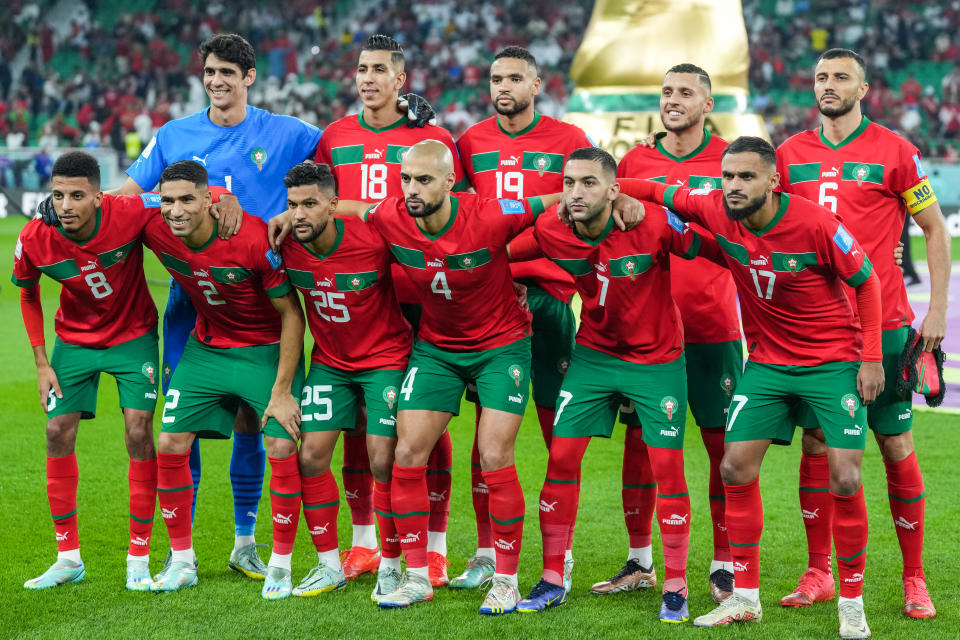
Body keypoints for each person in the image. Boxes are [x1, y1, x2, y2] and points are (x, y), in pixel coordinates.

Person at [621, 136, 883, 639]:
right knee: (734, 466)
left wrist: (870, 358)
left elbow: (867, 283)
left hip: (832, 363)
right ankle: (745, 597)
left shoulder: (816, 224)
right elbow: (656, 190)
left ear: (772, 180)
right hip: (768, 362)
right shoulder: (716, 208)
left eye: (746, 177)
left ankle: (851, 603)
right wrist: (610, 191)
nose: (734, 186)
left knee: (846, 478)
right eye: (728, 177)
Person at [115, 33, 322, 579]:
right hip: (193, 303)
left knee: (253, 421)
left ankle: (244, 540)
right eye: (209, 71)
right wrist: (79, 202)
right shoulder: (174, 134)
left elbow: (343, 155)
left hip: (262, 298)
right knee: (178, 426)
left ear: (249, 77)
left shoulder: (286, 132)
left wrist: (410, 125)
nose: (217, 81)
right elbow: (130, 197)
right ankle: (180, 550)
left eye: (228, 72)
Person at [335, 139, 562, 614]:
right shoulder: (391, 214)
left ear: (449, 182)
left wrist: (620, 193)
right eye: (406, 180)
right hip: (437, 349)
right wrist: (289, 215)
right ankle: (417, 575)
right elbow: (351, 208)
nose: (412, 190)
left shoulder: (489, 214)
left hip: (502, 347)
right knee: (407, 452)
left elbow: (555, 199)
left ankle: (505, 579)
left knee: (493, 453)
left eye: (423, 180)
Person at [776, 48, 950, 619]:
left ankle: (913, 577)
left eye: (841, 77)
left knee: (895, 445)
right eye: (822, 77)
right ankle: (819, 571)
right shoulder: (788, 154)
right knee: (818, 447)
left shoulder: (896, 151)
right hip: (817, 332)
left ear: (864, 87)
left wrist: (935, 313)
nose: (828, 85)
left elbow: (934, 231)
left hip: (889, 326)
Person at [514, 147, 706, 623]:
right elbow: (494, 254)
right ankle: (554, 578)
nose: (576, 192)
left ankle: (676, 584)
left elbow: (714, 248)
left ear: (614, 191)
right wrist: (510, 287)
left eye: (590, 183)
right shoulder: (550, 228)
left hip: (657, 359)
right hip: (595, 357)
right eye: (570, 182)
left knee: (668, 468)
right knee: (560, 457)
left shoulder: (653, 223)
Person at [312, 34, 462, 584]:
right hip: (356, 297)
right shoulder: (334, 136)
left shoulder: (433, 137)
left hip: (419, 293)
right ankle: (365, 542)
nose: (368, 78)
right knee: (358, 424)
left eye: (379, 69)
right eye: (361, 68)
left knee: (426, 421)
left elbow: (458, 212)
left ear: (402, 80)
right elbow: (316, 199)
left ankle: (437, 545)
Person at [454, 45, 593, 591]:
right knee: (486, 437)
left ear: (536, 84)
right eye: (495, 78)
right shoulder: (472, 143)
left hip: (549, 299)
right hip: (488, 302)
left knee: (558, 434)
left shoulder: (569, 142)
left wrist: (510, 258)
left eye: (515, 78)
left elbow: (585, 214)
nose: (503, 86)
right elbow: (458, 212)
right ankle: (487, 552)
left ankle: (560, 555)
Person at [142, 161, 306, 596]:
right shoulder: (155, 224)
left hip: (264, 351)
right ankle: (181, 560)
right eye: (167, 200)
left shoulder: (251, 238)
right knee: (170, 443)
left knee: (280, 444)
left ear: (209, 200)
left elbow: (292, 313)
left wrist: (283, 390)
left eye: (186, 200)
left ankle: (279, 564)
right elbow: (110, 206)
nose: (175, 211)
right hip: (208, 348)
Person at [611, 63, 741, 603]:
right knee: (641, 444)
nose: (674, 100)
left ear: (708, 103)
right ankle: (640, 559)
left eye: (686, 92)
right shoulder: (635, 159)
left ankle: (724, 561)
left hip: (713, 326)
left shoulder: (734, 160)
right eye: (667, 92)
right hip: (647, 331)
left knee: (722, 448)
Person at [14, 151, 160, 591]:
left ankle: (138, 557)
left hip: (133, 336)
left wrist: (222, 198)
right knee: (57, 430)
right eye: (58, 195)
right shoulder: (35, 236)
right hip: (75, 342)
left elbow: (185, 197)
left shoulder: (129, 211)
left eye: (78, 195)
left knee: (138, 432)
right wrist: (41, 362)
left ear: (100, 196)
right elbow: (27, 294)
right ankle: (67, 557)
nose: (66, 205)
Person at [278, 161, 413, 601]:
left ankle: (391, 564)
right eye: (292, 205)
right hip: (331, 363)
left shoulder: (374, 239)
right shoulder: (284, 247)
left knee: (381, 459)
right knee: (311, 456)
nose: (299, 214)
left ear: (334, 205)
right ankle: (328, 565)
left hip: (386, 359)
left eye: (310, 204)